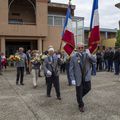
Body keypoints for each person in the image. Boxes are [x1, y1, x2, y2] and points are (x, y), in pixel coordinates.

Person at [69, 42, 96, 112]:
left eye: (82, 47)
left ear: (84, 48)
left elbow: (95, 61)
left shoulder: (87, 55)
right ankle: (81, 105)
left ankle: (79, 97)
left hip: (86, 77)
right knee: (79, 91)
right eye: (79, 48)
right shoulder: (73, 57)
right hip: (78, 78)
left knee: (88, 88)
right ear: (76, 49)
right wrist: (72, 79)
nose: (81, 49)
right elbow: (71, 69)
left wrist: (90, 55)